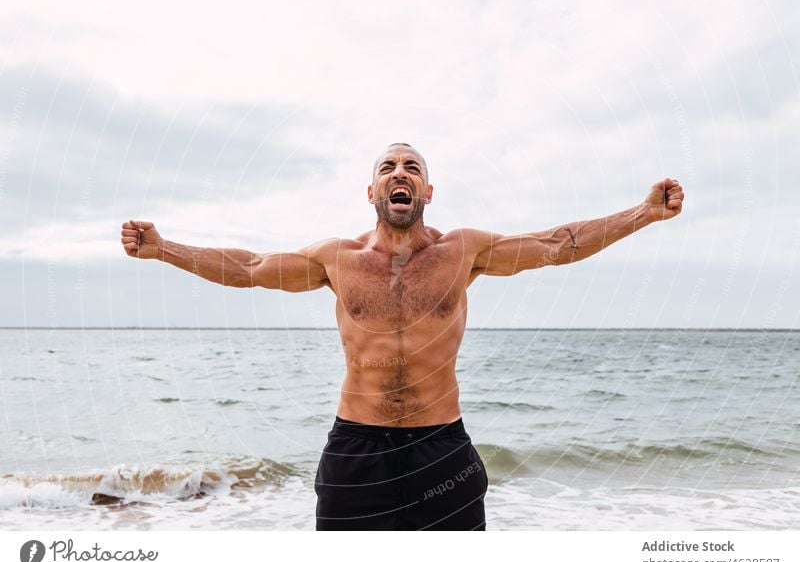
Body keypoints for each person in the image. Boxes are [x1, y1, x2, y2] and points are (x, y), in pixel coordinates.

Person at [120, 142, 685, 530]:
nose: (400, 173)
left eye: (412, 167)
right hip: (355, 450)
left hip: (441, 448)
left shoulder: (464, 251)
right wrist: (161, 247)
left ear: (428, 191)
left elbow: (558, 244)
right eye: (388, 167)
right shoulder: (335, 260)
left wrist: (643, 213)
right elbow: (249, 267)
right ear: (370, 193)